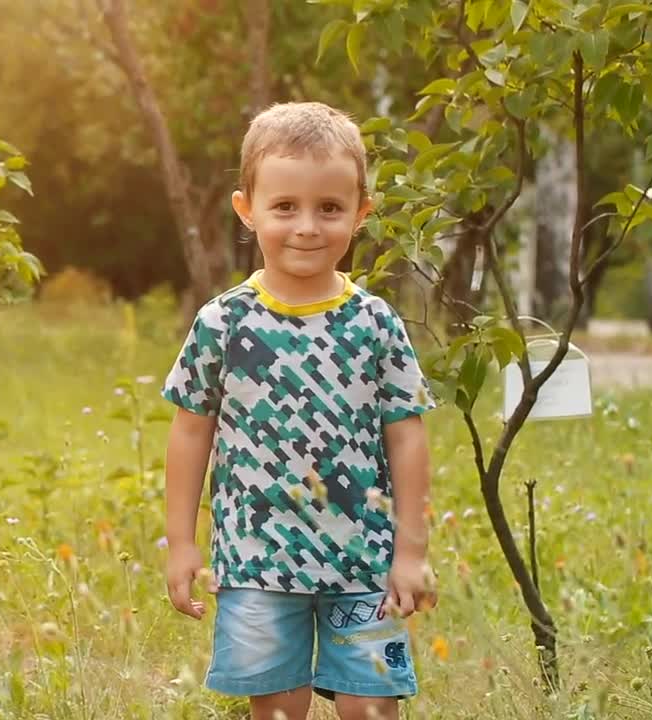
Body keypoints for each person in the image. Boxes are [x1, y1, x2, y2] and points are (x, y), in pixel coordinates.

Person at [160, 101, 437, 720]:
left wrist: (411, 552)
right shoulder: (223, 323)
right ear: (247, 209)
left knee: (371, 708)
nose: (307, 226)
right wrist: (181, 543)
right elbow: (189, 434)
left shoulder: (375, 323)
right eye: (285, 207)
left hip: (365, 560)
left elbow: (408, 438)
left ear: (361, 214)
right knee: (279, 709)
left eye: (330, 208)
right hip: (258, 560)